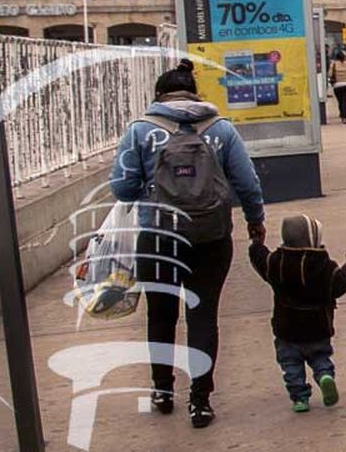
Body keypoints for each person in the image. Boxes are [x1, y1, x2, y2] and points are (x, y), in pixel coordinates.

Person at [109, 59, 267, 429]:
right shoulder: (221, 129)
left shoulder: (140, 131)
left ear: (159, 96)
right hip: (210, 236)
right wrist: (255, 221)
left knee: (161, 314)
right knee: (203, 315)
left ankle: (163, 390)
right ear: (195, 95)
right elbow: (248, 183)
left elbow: (122, 188)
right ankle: (200, 400)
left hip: (159, 238)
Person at [249, 214, 346, 412]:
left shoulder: (277, 263)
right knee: (320, 357)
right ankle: (325, 376)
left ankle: (300, 398)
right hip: (317, 329)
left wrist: (257, 243)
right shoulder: (323, 266)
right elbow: (339, 283)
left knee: (291, 366)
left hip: (286, 331)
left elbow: (260, 259)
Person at [328, 51, 346, 124]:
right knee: (345, 101)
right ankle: (344, 117)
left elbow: (330, 74)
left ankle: (341, 113)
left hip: (337, 86)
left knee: (340, 101)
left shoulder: (333, 65)